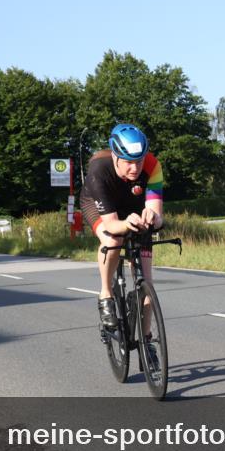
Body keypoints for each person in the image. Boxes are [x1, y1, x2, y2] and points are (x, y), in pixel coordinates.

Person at [79, 124, 163, 335]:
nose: (135, 168)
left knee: (148, 287)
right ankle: (106, 293)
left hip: (131, 205)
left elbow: (158, 217)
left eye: (139, 161)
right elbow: (112, 225)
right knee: (113, 240)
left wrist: (152, 217)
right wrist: (126, 225)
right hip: (98, 205)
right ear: (116, 157)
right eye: (128, 162)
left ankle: (147, 342)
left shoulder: (152, 166)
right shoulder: (99, 172)